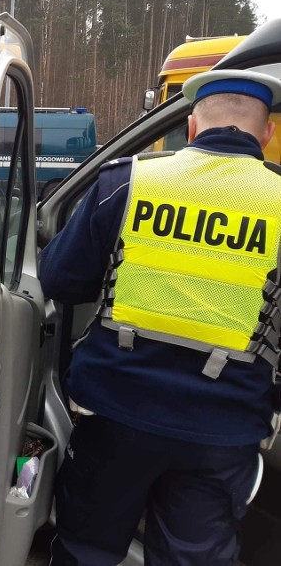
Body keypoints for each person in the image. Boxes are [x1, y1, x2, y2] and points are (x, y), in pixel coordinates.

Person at [40, 68, 281, 566]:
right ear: (268, 132)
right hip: (224, 430)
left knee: (87, 549)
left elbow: (59, 279)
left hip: (116, 411)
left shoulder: (126, 182)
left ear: (191, 126)